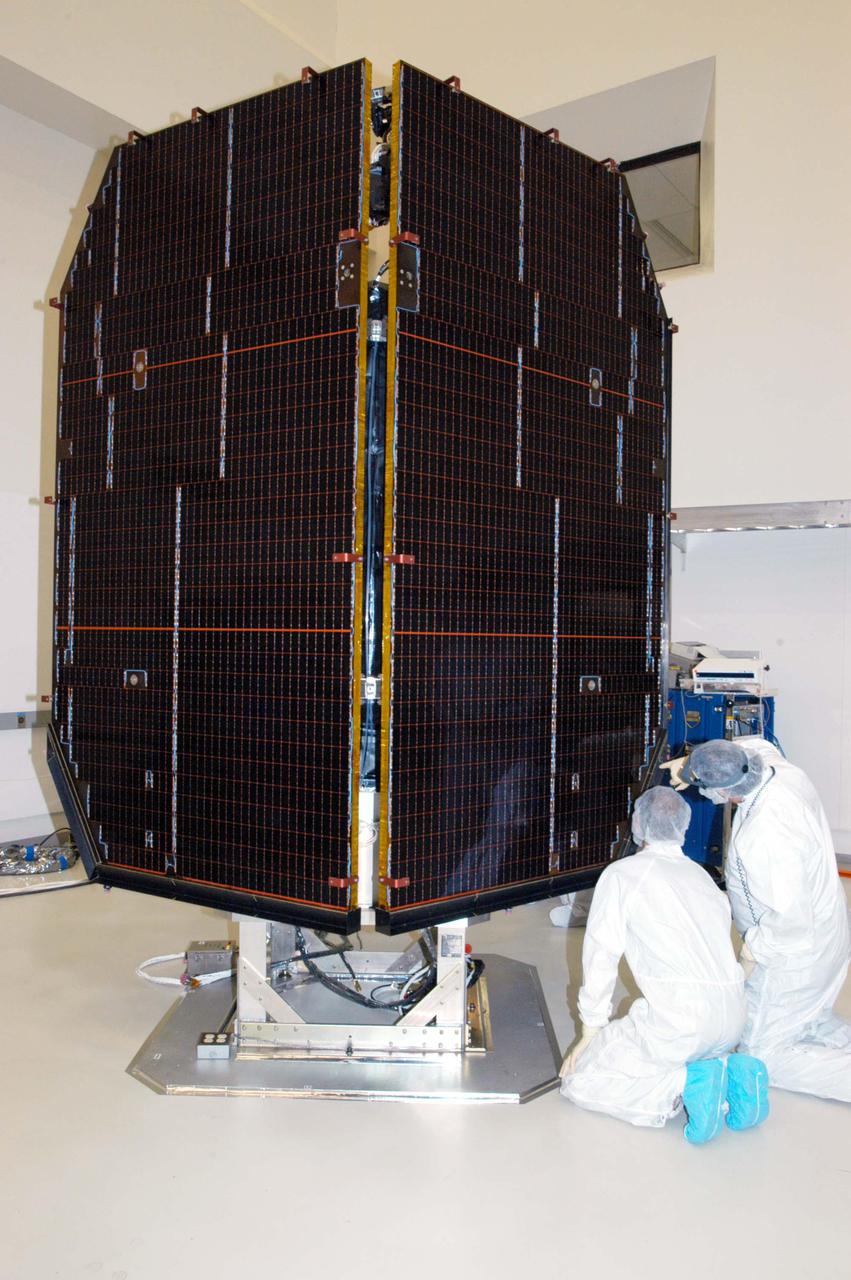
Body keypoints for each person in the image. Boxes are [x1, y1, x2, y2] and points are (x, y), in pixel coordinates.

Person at [560, 786, 767, 1141]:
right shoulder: (703, 877)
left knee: (580, 1083)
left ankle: (683, 1084)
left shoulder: (623, 875)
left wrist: (590, 1032)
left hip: (679, 1024)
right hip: (733, 1019)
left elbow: (601, 957)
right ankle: (730, 1072)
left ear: (637, 823)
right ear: (683, 828)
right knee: (676, 1048)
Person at [668, 737, 851, 1103]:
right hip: (829, 929)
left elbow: (790, 920)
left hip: (793, 954)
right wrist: (691, 761)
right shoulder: (779, 773)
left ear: (720, 790)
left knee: (761, 1055)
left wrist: (751, 955)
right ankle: (821, 1030)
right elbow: (761, 743)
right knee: (807, 1014)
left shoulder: (767, 834)